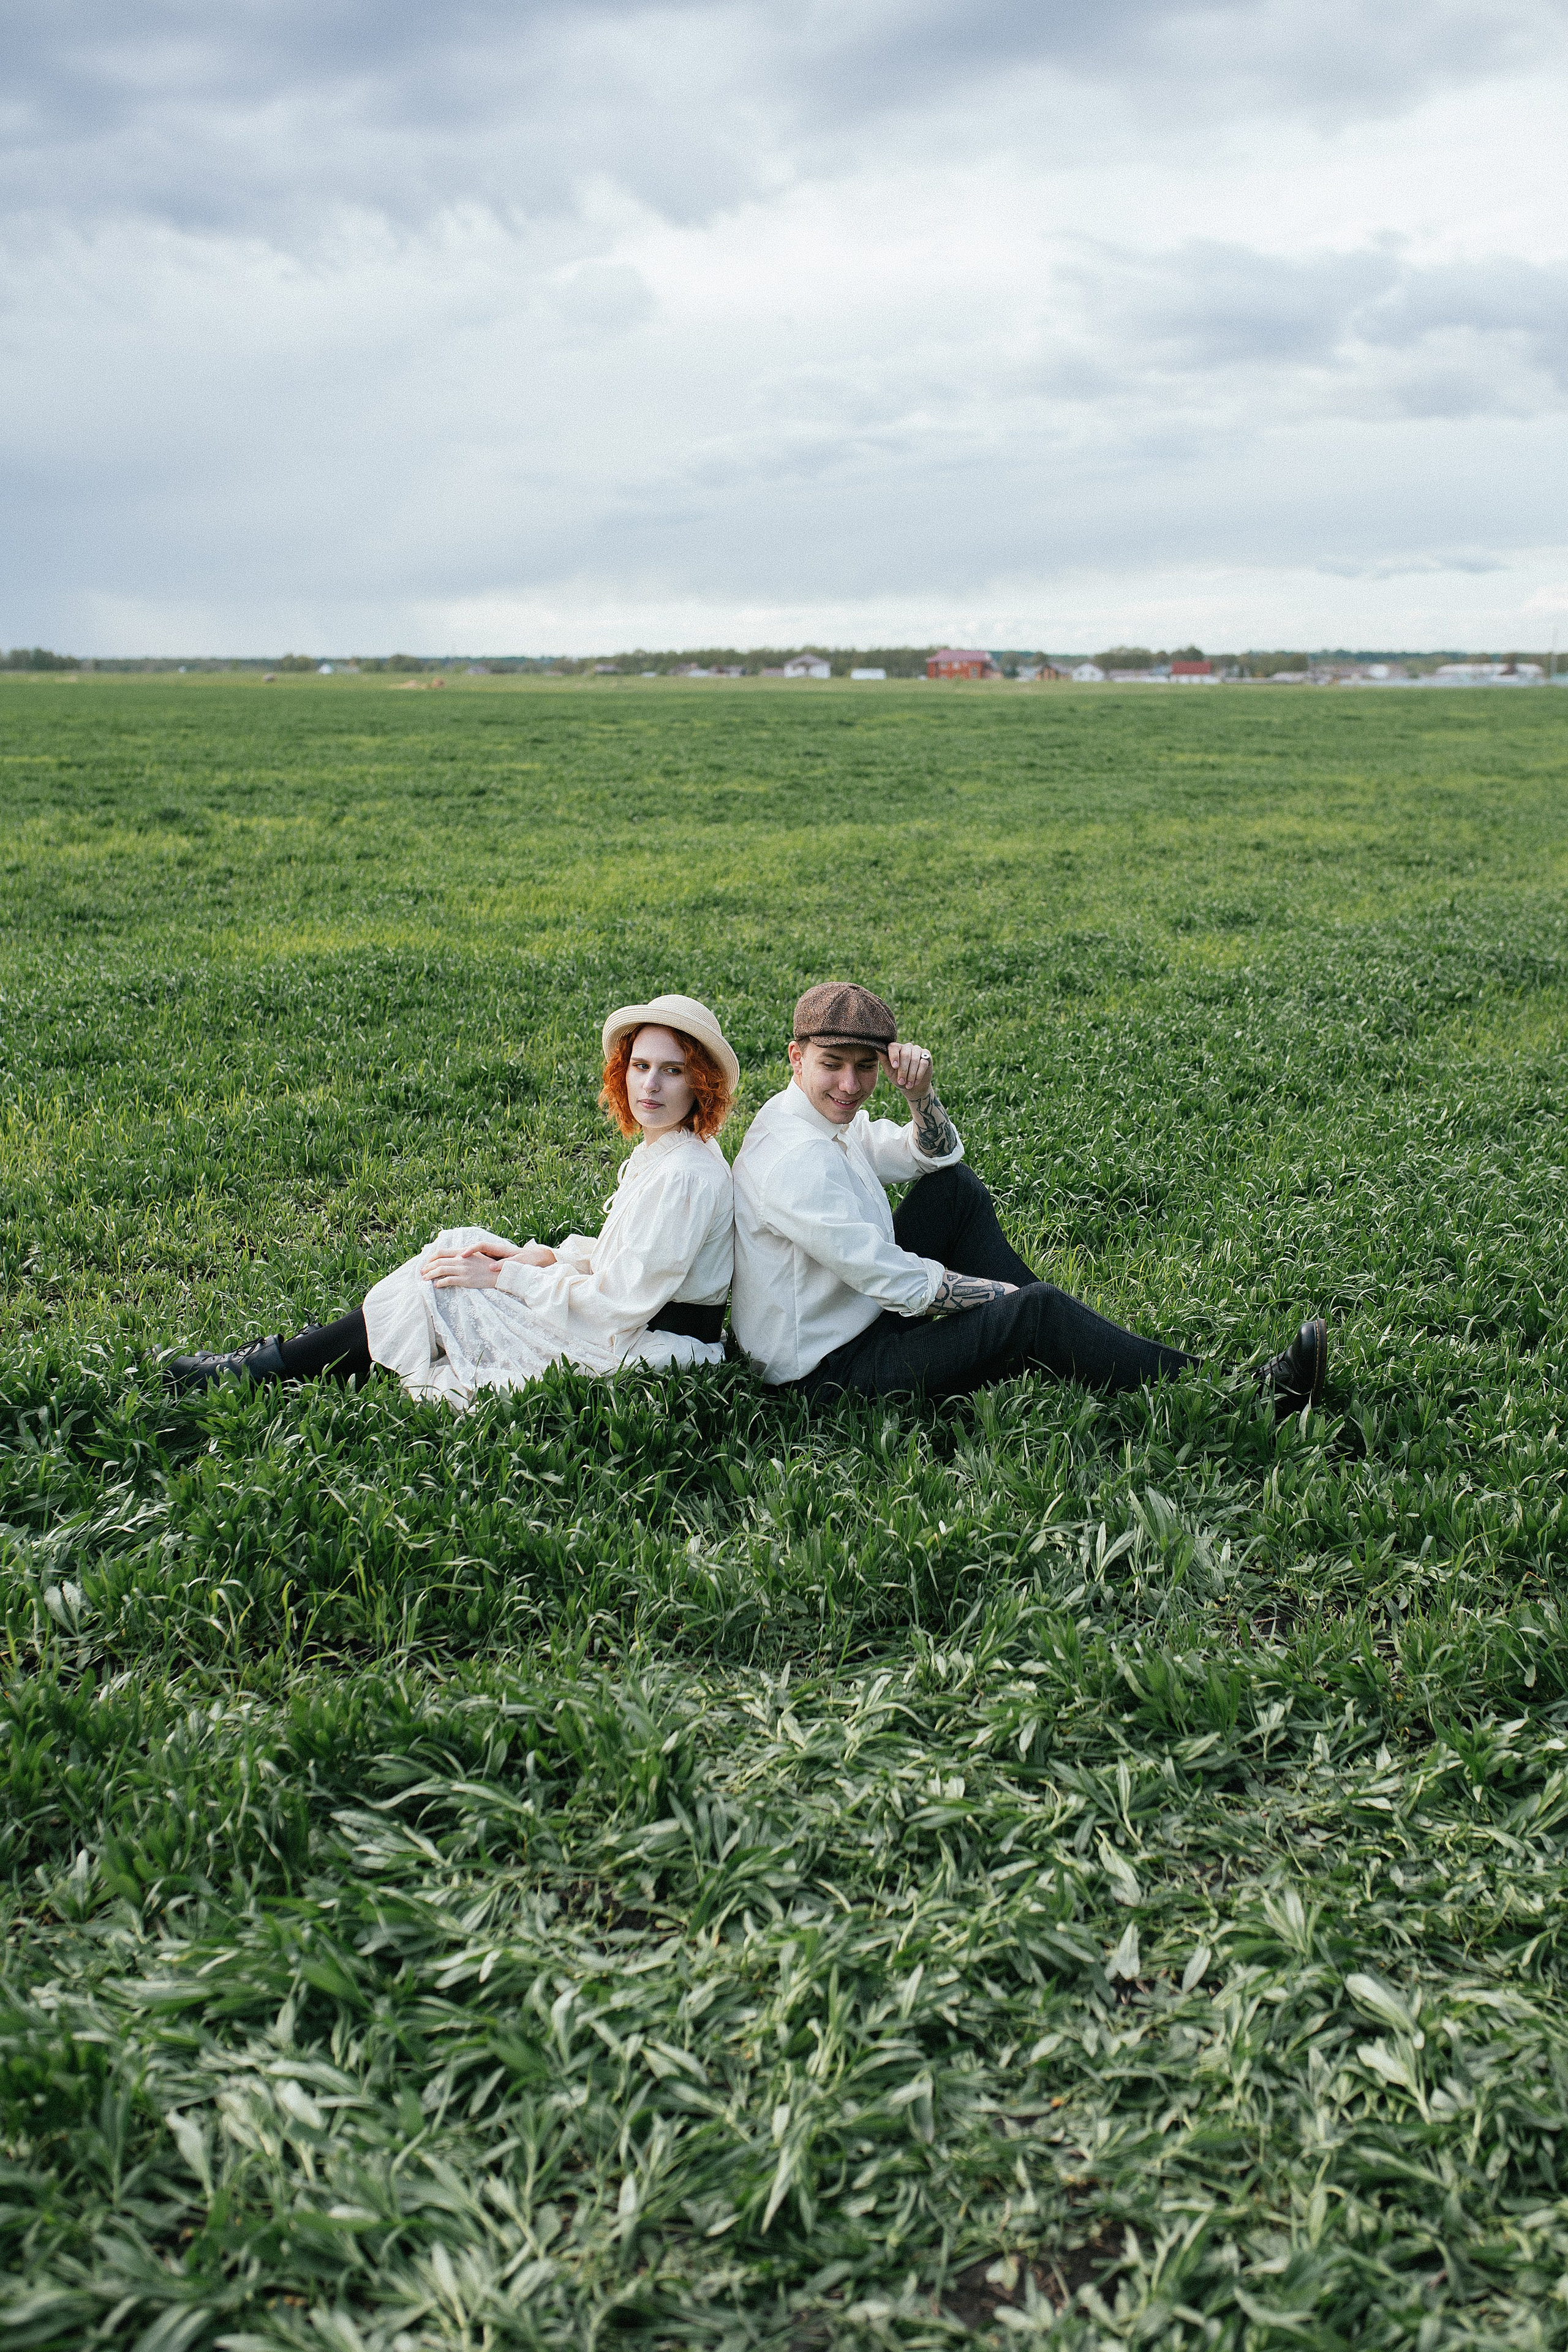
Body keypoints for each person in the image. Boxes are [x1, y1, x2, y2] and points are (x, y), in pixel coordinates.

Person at [731, 981, 1327, 1411]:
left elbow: (932, 1155)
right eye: (832, 1065)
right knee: (1033, 1311)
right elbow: (898, 1284)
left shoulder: (819, 1119)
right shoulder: (795, 1159)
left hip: (854, 1314)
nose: (850, 1085)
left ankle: (1052, 1333)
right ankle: (1248, 1395)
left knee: (954, 1191)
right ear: (796, 1056)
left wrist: (919, 1096)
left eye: (865, 1068)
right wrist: (1009, 1301)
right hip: (827, 1374)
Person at [164, 994, 739, 1409]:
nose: (650, 1087)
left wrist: (503, 1280)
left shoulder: (684, 1174)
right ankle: (310, 1352)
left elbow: (619, 1302)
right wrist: (538, 1257)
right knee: (460, 1249)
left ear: (701, 1084)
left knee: (445, 1285)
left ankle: (269, 1367)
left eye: (672, 1071)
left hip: (643, 1345)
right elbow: (630, 1258)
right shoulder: (670, 1150)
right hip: (628, 1320)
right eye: (640, 1067)